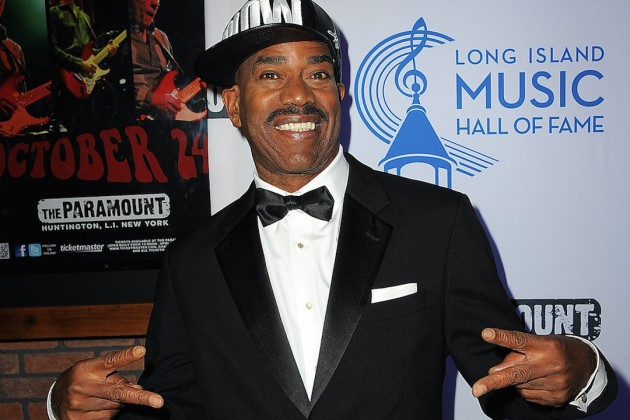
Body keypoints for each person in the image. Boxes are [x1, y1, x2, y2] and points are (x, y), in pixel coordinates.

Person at [48, 0, 618, 419]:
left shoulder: (437, 222)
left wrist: (583, 376)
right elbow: (166, 408)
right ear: (234, 106)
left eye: (317, 73)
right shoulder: (190, 261)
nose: (298, 94)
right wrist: (69, 406)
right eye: (270, 74)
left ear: (340, 95)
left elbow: (515, 385)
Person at [48, 0, 119, 130]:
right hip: (67, 77)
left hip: (86, 80)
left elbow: (90, 50)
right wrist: (79, 64)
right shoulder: (54, 13)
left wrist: (107, 52)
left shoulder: (84, 16)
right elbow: (52, 49)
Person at [130, 0, 206, 121]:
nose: (155, 3)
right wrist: (151, 99)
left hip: (163, 123)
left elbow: (171, 87)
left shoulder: (161, 37)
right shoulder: (116, 42)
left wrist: (198, 89)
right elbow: (115, 88)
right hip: (132, 122)